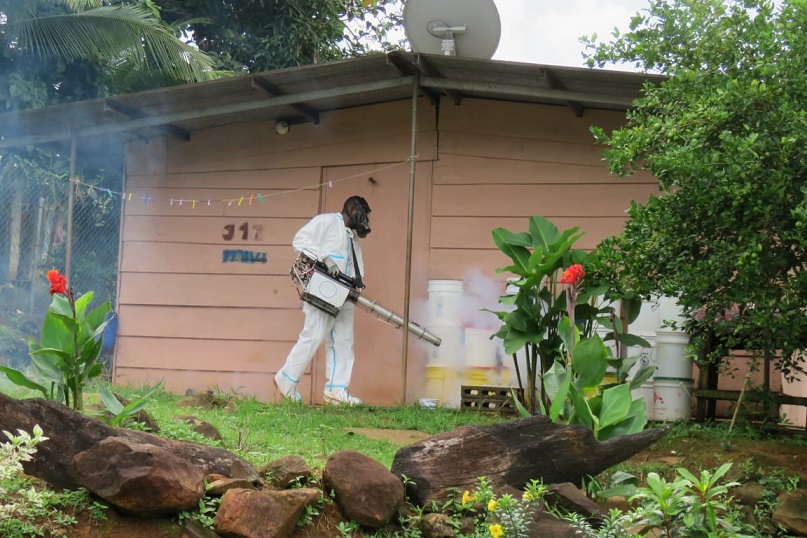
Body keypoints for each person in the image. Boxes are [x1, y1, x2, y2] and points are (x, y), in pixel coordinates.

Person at [274, 195, 372, 405]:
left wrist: (357, 286)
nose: (364, 220)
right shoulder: (327, 222)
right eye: (363, 214)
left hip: (345, 294)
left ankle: (336, 391)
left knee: (344, 341)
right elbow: (300, 240)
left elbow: (358, 267)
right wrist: (325, 258)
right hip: (323, 291)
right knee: (314, 336)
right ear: (353, 210)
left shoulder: (353, 239)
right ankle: (285, 382)